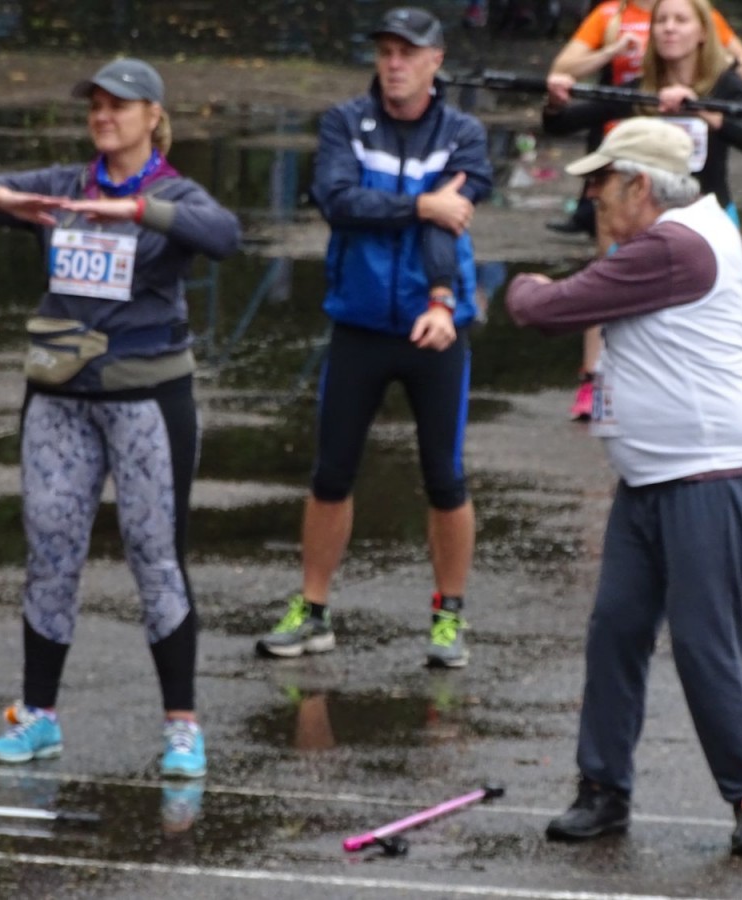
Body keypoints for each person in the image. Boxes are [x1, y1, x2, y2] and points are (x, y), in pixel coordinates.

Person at [506, 117, 742, 855]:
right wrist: (734, 343)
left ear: (639, 185)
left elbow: (544, 312)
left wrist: (523, 284)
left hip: (709, 474)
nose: (592, 196)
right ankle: (603, 791)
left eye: (602, 181)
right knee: (616, 629)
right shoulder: (706, 227)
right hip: (652, 474)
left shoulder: (668, 248)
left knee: (702, 642)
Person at [0, 58, 240, 774]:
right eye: (95, 105)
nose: (103, 116)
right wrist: (3, 199)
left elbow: (224, 234)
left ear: (153, 116)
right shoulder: (65, 186)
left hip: (147, 401)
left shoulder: (173, 191)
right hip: (58, 400)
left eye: (119, 105)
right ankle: (39, 718)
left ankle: (182, 727)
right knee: (50, 553)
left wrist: (139, 212)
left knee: (155, 557)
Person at [255, 8, 493, 669]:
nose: (394, 63)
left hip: (436, 328)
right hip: (358, 325)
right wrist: (419, 204)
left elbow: (448, 223)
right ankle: (314, 612)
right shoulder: (345, 122)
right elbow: (337, 201)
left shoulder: (464, 134)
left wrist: (441, 298)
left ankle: (449, 616)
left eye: (408, 53)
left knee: (445, 478)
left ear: (435, 61)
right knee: (330, 474)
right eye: (386, 51)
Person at [545, 0, 742, 421]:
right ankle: (597, 386)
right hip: (642, 223)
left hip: (709, 218)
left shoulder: (723, 85)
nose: (668, 29)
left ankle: (714, 397)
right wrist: (555, 102)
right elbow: (562, 123)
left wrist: (701, 109)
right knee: (611, 298)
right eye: (661, 21)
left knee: (717, 313)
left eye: (680, 21)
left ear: (703, 32)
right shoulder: (641, 87)